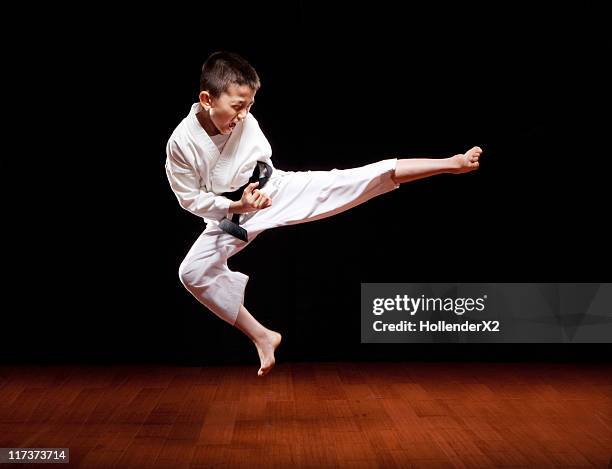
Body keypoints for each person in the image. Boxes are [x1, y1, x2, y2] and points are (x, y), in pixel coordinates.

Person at [165, 51, 483, 377]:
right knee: (192, 272)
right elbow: (188, 198)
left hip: (271, 191)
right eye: (237, 106)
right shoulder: (181, 143)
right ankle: (262, 336)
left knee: (351, 179)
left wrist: (254, 193)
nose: (244, 115)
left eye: (249, 106)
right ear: (206, 99)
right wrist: (235, 206)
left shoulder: (247, 122)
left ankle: (449, 163)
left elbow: (260, 165)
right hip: (229, 214)